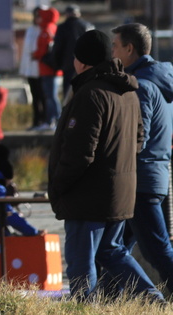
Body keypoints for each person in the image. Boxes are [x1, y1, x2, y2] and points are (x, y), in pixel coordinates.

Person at [49, 29, 161, 301]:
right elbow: (138, 141)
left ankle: (84, 307)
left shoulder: (90, 94)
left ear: (82, 61)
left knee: (81, 259)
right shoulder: (127, 92)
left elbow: (79, 152)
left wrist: (58, 185)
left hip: (88, 196)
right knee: (112, 251)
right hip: (119, 191)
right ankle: (152, 298)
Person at [112, 22, 173, 289]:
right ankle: (105, 297)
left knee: (157, 250)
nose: (111, 53)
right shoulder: (162, 78)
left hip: (141, 177)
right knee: (112, 247)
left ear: (129, 48)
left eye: (114, 46)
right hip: (153, 173)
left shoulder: (142, 85)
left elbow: (139, 136)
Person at [53, 4, 92, 96]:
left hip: (68, 65)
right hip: (86, 65)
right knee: (85, 91)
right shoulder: (87, 26)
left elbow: (57, 47)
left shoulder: (62, 27)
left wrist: (56, 64)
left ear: (67, 14)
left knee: (68, 93)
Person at [33, 6, 61, 128]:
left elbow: (42, 50)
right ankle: (53, 120)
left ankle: (53, 120)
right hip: (53, 69)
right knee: (51, 96)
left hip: (47, 69)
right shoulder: (54, 28)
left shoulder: (46, 30)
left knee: (50, 97)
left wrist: (34, 54)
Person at [18, 7, 45, 129]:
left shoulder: (44, 30)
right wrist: (23, 70)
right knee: (35, 98)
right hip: (30, 71)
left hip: (41, 71)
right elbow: (25, 53)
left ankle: (45, 120)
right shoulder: (30, 30)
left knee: (43, 97)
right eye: (35, 16)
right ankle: (36, 121)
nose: (37, 18)